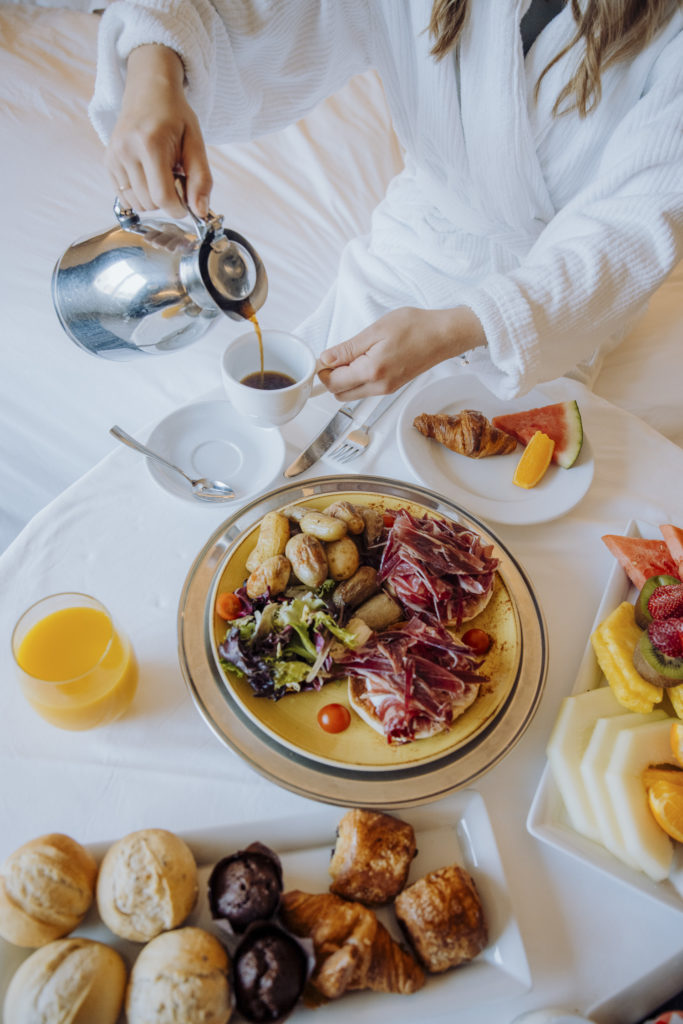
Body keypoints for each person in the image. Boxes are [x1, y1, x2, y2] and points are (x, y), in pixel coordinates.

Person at [90, 0, 683, 402]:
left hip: (547, 311)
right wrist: (155, 70)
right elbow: (260, 20)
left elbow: (629, 231)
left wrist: (466, 326)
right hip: (408, 257)